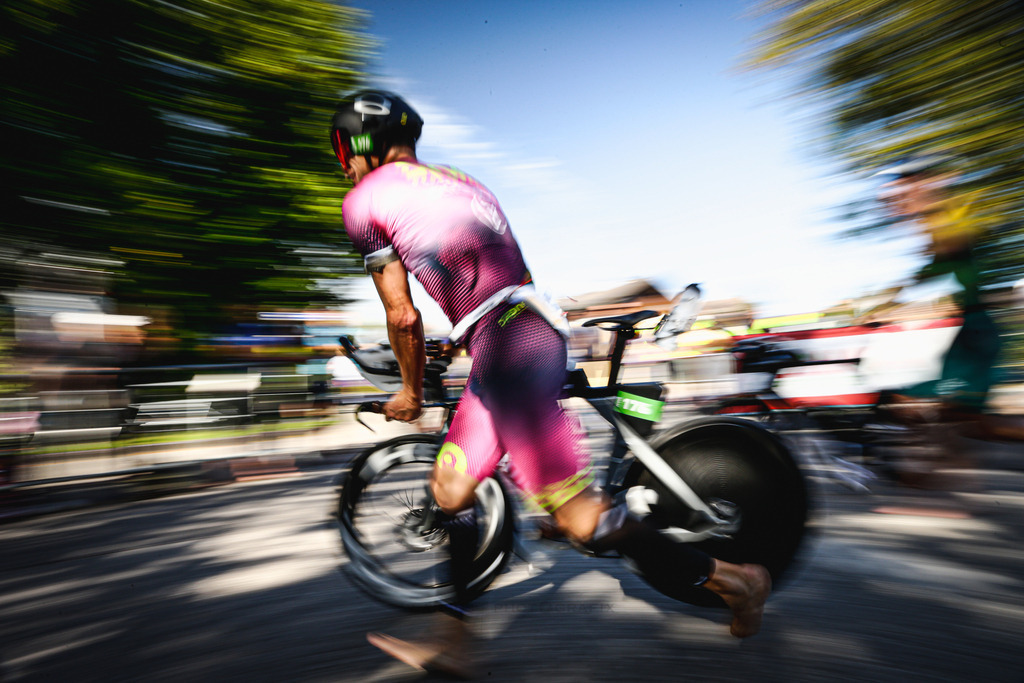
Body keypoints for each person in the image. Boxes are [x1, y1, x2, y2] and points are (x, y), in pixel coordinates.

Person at [331, 90, 771, 677]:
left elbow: (402, 315)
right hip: (515, 333)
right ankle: (454, 643)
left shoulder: (363, 199)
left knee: (579, 519)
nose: (344, 162)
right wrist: (468, 339)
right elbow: (500, 278)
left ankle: (736, 581)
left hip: (510, 343)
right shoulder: (462, 181)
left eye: (342, 149)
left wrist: (410, 392)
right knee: (452, 489)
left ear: (357, 143)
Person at [873, 155, 1022, 484]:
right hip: (965, 333)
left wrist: (901, 307)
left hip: (967, 336)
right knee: (949, 413)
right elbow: (930, 276)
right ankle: (931, 470)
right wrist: (895, 302)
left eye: (901, 188)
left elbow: (949, 283)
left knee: (919, 401)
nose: (895, 199)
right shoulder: (938, 228)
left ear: (922, 184)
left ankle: (929, 470)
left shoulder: (947, 222)